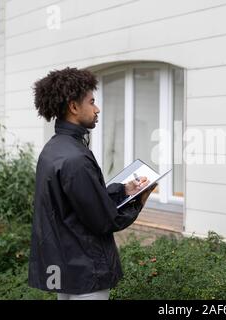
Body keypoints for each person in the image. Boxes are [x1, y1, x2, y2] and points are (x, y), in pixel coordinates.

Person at [28, 67, 157, 300]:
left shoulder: (53, 149)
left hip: (65, 267)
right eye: (92, 102)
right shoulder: (76, 157)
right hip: (87, 270)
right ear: (74, 107)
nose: (97, 109)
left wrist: (123, 190)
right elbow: (104, 221)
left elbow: (77, 204)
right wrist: (138, 201)